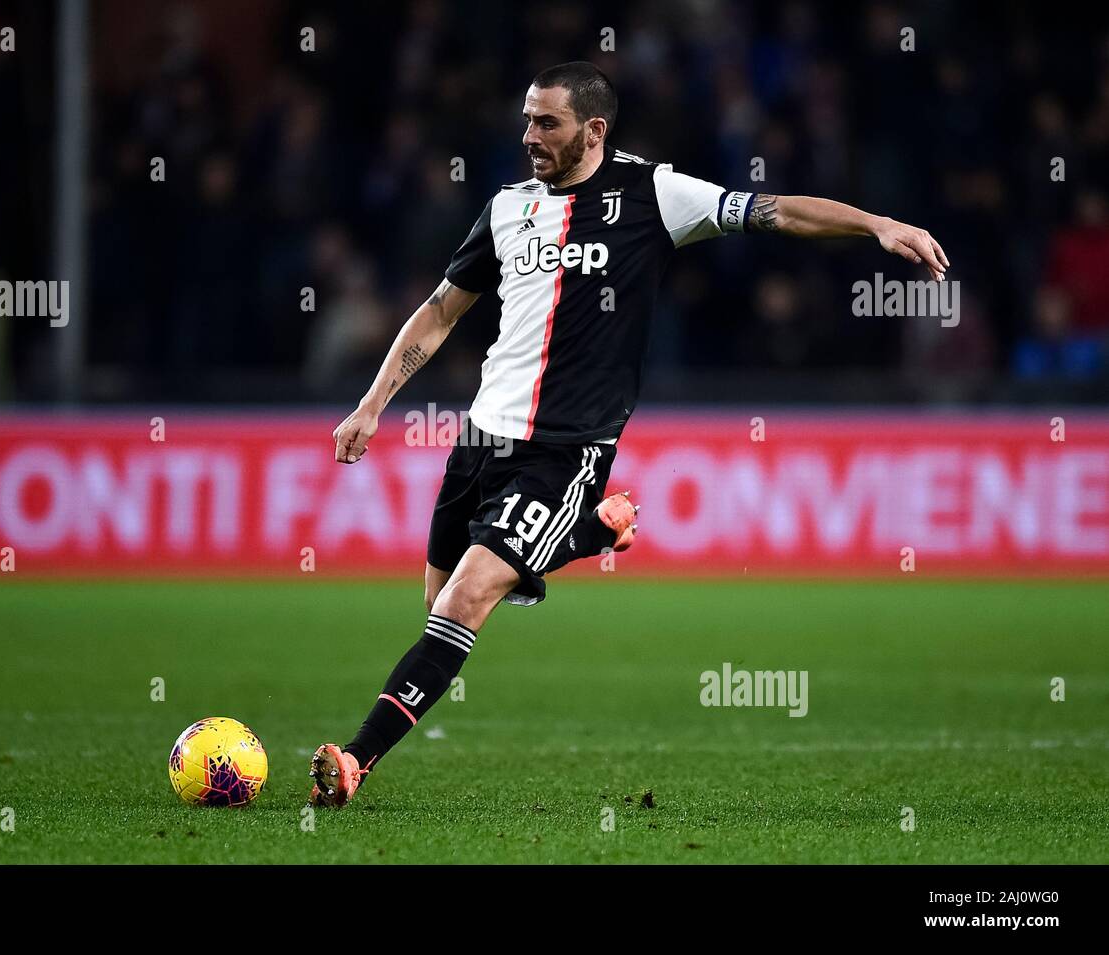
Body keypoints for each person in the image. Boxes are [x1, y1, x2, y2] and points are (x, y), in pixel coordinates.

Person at [309, 61, 949, 806]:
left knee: (464, 602)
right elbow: (442, 311)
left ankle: (354, 762)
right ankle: (592, 532)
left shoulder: (655, 194)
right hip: (480, 441)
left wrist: (876, 223)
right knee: (434, 608)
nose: (529, 136)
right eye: (526, 119)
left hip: (567, 448)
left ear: (594, 131)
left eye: (547, 123)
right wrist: (371, 403)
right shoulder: (508, 207)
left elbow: (777, 210)